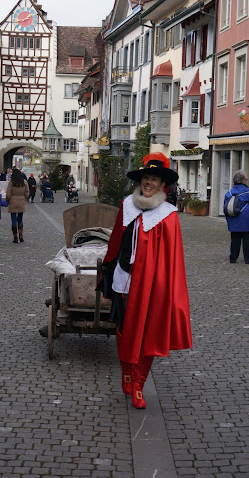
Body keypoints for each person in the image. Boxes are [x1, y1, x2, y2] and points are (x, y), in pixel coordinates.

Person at [96, 152, 192, 409]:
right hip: (123, 279)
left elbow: (172, 260)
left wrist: (167, 291)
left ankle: (138, 383)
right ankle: (126, 373)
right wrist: (107, 268)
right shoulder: (127, 205)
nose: (149, 183)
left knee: (148, 335)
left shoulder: (168, 216)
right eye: (146, 178)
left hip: (152, 288)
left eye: (154, 179)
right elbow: (115, 241)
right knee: (124, 329)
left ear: (163, 185)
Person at [6, 168, 29, 243]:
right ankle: (21, 235)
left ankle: (15, 236)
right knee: (20, 219)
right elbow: (27, 193)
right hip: (21, 201)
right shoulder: (24, 182)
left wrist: (7, 199)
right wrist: (25, 197)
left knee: (13, 219)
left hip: (13, 201)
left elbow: (8, 193)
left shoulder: (11, 182)